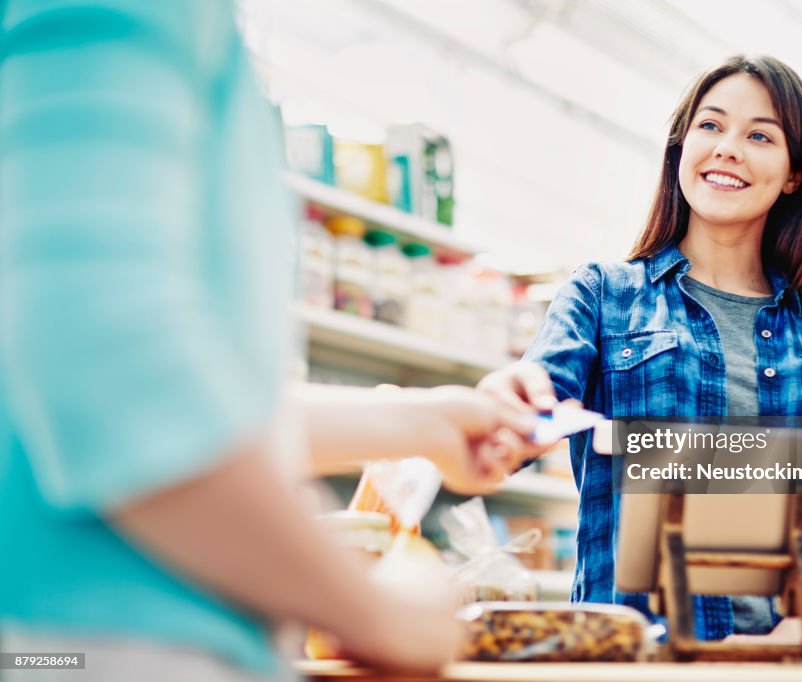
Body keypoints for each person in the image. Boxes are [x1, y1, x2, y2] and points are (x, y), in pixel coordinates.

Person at [0, 2, 536, 680]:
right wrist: (377, 613)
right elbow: (105, 366)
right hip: (124, 649)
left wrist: (421, 424)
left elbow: (148, 390)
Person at [478, 55, 802, 661]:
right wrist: (507, 402)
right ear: (680, 149)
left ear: (794, 174)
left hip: (796, 662)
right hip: (643, 657)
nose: (728, 148)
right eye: (710, 126)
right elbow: (536, 396)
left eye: (759, 136)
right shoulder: (603, 295)